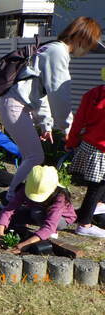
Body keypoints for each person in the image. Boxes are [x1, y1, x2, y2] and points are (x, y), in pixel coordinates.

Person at [0, 17, 102, 202]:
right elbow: (59, 93)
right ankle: (11, 197)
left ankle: (20, 194)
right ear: (81, 38)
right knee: (35, 156)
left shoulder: (51, 47)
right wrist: (68, 128)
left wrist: (46, 124)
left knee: (32, 156)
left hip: (15, 105)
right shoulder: (57, 52)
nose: (86, 52)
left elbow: (40, 92)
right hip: (15, 106)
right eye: (89, 46)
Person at [0, 166, 77, 253]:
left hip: (61, 219)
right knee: (16, 215)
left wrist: (25, 244)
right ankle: (27, 230)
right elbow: (10, 209)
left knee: (37, 213)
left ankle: (50, 233)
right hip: (36, 211)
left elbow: (49, 226)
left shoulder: (60, 197)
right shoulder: (25, 188)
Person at [65, 84, 105, 237]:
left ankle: (97, 206)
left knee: (97, 186)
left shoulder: (93, 93)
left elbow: (79, 120)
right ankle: (84, 224)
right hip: (102, 149)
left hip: (89, 144)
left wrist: (71, 142)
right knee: (97, 186)